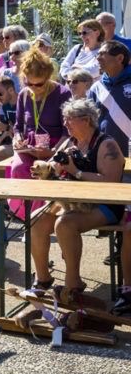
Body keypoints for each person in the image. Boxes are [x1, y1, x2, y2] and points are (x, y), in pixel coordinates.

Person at [30, 99, 125, 293]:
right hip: (74, 202)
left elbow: (111, 182)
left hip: (105, 204)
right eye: (65, 119)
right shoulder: (71, 142)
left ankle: (73, 284)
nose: (65, 123)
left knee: (65, 224)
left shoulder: (107, 144)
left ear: (86, 120)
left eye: (69, 119)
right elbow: (53, 165)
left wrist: (76, 171)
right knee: (35, 219)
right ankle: (43, 278)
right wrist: (46, 170)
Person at [9, 48, 71, 180]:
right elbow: (18, 127)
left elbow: (68, 132)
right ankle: (22, 201)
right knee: (18, 169)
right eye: (28, 83)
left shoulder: (63, 94)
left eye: (39, 84)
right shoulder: (24, 95)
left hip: (56, 148)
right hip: (30, 149)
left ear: (48, 77)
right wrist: (18, 139)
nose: (33, 88)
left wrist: (53, 152)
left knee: (45, 171)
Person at [89, 40, 131, 155]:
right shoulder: (96, 88)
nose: (98, 58)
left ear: (120, 58)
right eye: (98, 54)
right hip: (104, 154)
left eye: (103, 54)